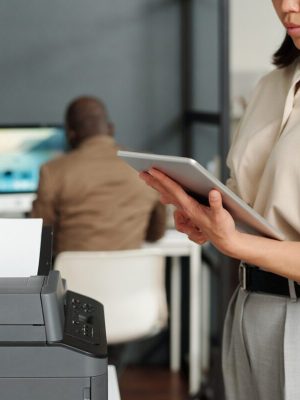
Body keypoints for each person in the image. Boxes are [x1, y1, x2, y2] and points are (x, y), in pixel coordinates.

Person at [140, 1, 300, 399]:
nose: (287, 7)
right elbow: (246, 198)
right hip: (250, 308)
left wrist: (235, 242)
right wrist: (207, 216)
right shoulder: (270, 85)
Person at [31, 96, 166, 255]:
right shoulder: (147, 167)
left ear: (70, 134)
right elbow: (156, 233)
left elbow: (40, 237)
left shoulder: (52, 171)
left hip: (74, 277)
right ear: (111, 129)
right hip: (129, 277)